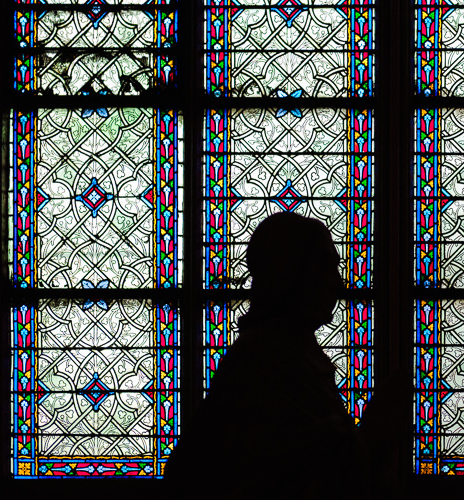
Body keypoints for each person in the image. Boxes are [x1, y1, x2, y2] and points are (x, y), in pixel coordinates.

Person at [165, 212, 384, 498]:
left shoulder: (291, 355)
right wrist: (372, 434)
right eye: (325, 269)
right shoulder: (261, 363)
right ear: (289, 276)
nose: (338, 284)